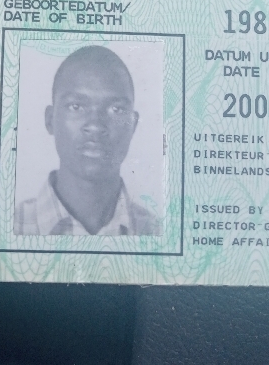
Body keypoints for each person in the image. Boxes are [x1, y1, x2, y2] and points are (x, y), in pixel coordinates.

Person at [14, 45, 161, 236]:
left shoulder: (157, 234)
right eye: (76, 106)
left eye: (116, 109)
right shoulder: (6, 228)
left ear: (133, 125)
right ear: (50, 120)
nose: (95, 125)